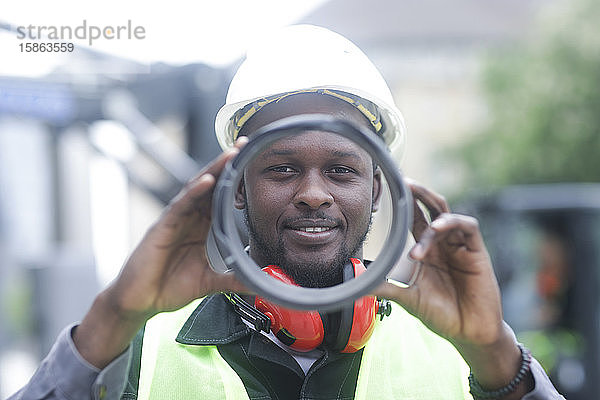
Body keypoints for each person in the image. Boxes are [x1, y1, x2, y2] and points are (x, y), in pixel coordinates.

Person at [10, 25, 564, 400]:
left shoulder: (459, 352)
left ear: (377, 188)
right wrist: (113, 317)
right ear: (238, 188)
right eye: (281, 169)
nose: (315, 194)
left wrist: (496, 357)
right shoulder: (139, 350)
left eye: (342, 171)